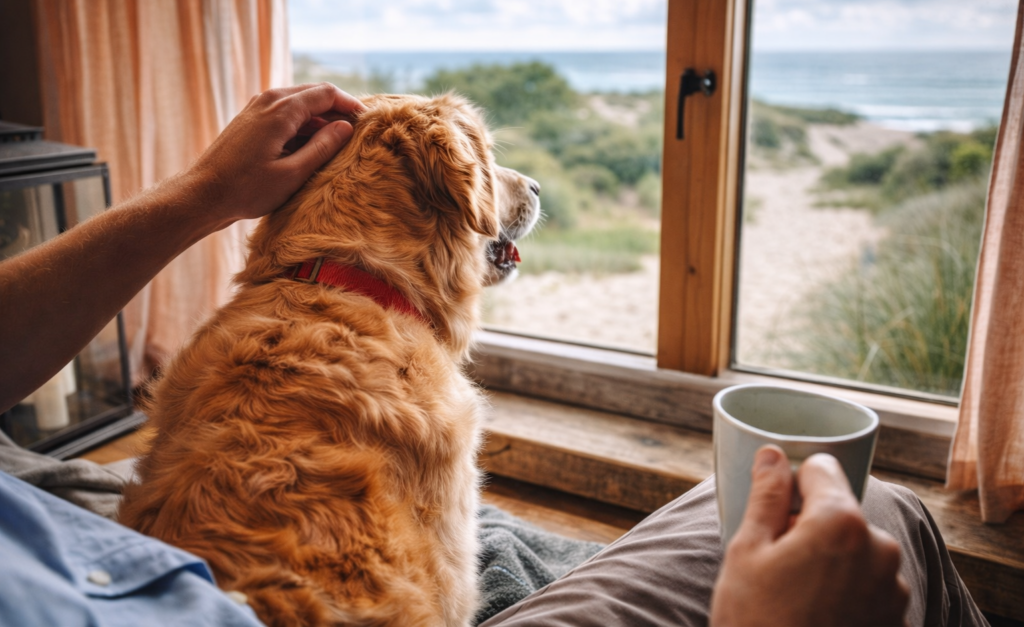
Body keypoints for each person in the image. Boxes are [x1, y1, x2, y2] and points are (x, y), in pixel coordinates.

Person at [0, 83, 985, 627]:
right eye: (492, 164)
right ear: (461, 183)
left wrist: (201, 193)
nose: (510, 188)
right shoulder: (415, 393)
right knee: (878, 504)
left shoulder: (210, 356)